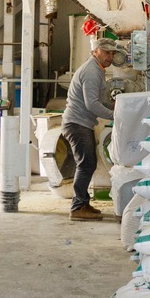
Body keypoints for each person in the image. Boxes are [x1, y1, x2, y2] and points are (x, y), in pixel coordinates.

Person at [62, 33, 118, 221]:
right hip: (77, 124)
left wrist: (116, 106)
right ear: (96, 51)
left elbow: (98, 100)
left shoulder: (98, 69)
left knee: (88, 164)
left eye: (112, 53)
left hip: (80, 123)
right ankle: (77, 208)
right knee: (86, 165)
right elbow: (92, 104)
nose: (110, 57)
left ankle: (83, 203)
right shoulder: (92, 71)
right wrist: (116, 115)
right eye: (106, 53)